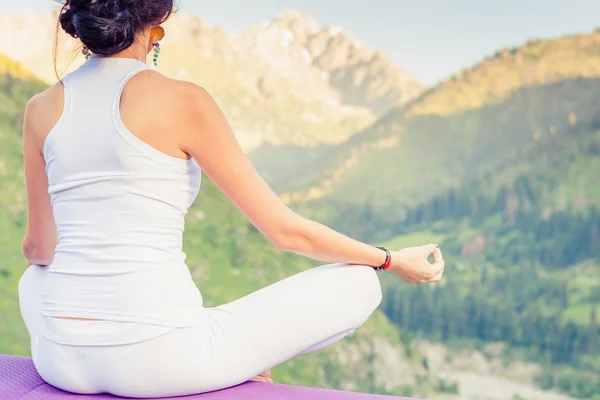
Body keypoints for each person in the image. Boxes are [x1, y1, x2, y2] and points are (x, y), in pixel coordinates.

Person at [17, 0, 445, 397]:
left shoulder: (39, 109)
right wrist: (390, 259)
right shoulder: (184, 99)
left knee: (34, 278)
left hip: (61, 360)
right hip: (161, 362)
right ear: (155, 29)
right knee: (360, 282)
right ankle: (235, 360)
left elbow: (39, 250)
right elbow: (287, 232)